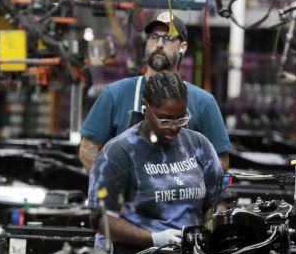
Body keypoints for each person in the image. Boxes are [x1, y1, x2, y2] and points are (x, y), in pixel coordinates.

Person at [87, 71, 225, 254]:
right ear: (145, 107)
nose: (174, 127)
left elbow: (216, 201)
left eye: (181, 119)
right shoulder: (119, 153)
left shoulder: (199, 145)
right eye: (165, 120)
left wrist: (209, 232)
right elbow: (99, 219)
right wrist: (153, 239)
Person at [79, 11, 231, 172]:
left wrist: (190, 183)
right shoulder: (115, 94)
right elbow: (88, 148)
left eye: (168, 38)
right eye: (154, 37)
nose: (159, 44)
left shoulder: (203, 102)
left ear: (182, 47)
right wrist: (113, 181)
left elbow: (221, 161)